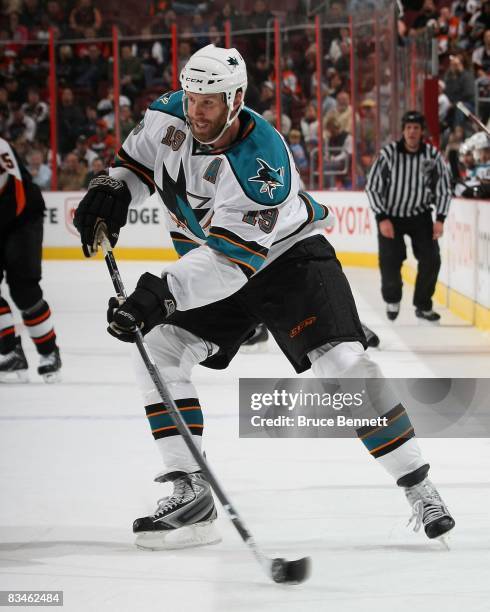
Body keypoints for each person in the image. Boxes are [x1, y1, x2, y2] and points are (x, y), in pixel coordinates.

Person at [74, 45, 454, 551]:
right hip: (211, 261)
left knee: (344, 363)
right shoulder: (169, 114)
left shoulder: (262, 163)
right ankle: (189, 489)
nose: (196, 112)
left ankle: (418, 487)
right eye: (191, 99)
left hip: (287, 262)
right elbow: (137, 165)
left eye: (208, 102)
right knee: (158, 349)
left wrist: (158, 294)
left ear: (236, 99)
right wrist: (112, 190)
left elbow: (234, 266)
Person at [366, 111, 452, 323]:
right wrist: (381, 217)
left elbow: (444, 188)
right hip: (390, 216)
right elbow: (372, 187)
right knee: (390, 260)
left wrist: (440, 218)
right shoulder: (389, 154)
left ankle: (423, 305)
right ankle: (393, 299)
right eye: (408, 128)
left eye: (416, 128)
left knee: (432, 259)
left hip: (420, 215)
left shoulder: (432, 156)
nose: (412, 132)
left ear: (422, 131)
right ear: (403, 131)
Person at [0, 137, 62, 383]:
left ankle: (49, 354)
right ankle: (10, 351)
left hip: (22, 217)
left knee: (24, 290)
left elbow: (18, 194)